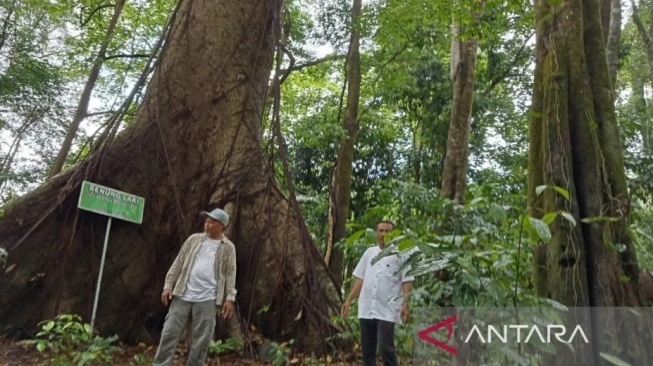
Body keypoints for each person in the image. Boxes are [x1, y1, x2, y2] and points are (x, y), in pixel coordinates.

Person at [153, 208, 237, 366]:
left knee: (201, 340)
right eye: (207, 221)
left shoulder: (228, 248)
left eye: (212, 222)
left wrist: (230, 298)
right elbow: (178, 263)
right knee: (169, 332)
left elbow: (231, 273)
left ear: (222, 226)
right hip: (183, 294)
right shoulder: (193, 240)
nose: (207, 224)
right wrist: (168, 285)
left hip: (208, 299)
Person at [341, 220, 414, 366]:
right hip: (367, 308)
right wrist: (349, 301)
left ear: (393, 234)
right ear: (376, 233)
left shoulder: (401, 255)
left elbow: (407, 281)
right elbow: (360, 279)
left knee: (384, 347)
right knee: (367, 350)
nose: (384, 234)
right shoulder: (369, 253)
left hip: (388, 309)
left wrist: (405, 304)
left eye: (387, 231)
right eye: (381, 230)